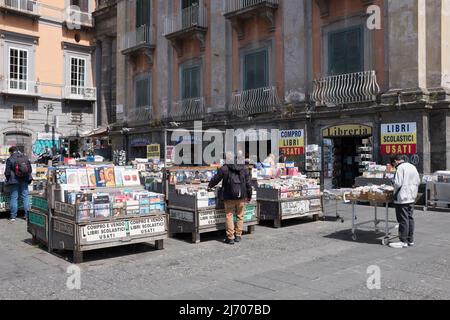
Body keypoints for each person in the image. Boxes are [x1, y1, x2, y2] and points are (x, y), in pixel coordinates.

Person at [208, 152, 252, 245]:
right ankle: (238, 235)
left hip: (228, 196)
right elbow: (248, 184)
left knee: (229, 215)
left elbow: (216, 179)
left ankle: (230, 237)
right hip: (241, 196)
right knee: (240, 215)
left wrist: (209, 185)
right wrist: (249, 195)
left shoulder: (224, 168)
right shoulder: (244, 168)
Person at [389, 155, 421, 249]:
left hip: (402, 197)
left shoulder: (400, 168)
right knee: (410, 218)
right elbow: (418, 181)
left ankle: (403, 241)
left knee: (403, 219)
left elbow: (398, 183)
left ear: (395, 161)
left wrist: (392, 183)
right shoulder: (412, 166)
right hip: (411, 196)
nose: (394, 166)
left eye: (393, 164)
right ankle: (410, 239)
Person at [4, 146, 32, 222]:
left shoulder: (10, 159)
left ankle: (13, 216)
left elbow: (7, 172)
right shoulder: (25, 157)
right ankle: (27, 216)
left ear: (11, 152)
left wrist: (7, 179)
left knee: (14, 198)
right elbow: (30, 169)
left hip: (14, 181)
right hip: (25, 180)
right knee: (25, 197)